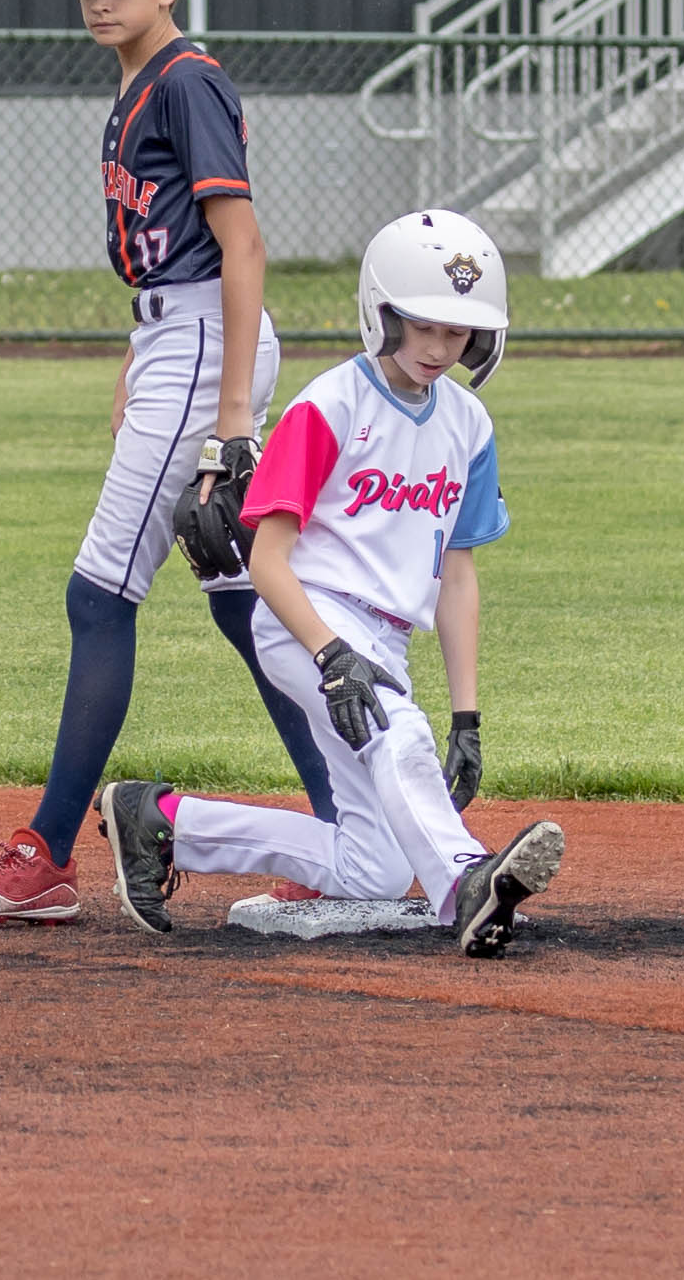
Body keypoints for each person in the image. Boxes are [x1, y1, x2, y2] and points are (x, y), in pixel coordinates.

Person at [0, 0, 335, 924]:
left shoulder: (185, 79)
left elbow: (241, 245)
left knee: (100, 593)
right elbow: (169, 251)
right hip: (174, 341)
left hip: (202, 346)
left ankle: (45, 855)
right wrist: (136, 360)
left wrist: (228, 415)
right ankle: (350, 831)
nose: (101, 0)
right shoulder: (139, 80)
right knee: (245, 600)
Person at [91, 210, 564, 958]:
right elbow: (267, 562)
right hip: (306, 618)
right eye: (422, 326)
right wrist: (330, 653)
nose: (439, 348)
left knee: (375, 868)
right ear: (382, 313)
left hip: (384, 640)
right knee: (396, 729)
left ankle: (164, 822)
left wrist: (467, 717)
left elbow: (457, 575)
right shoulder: (330, 406)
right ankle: (467, 880)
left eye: (458, 332)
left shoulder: (469, 426)